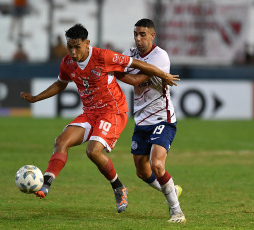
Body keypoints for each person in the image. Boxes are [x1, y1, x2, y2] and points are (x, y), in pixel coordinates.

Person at [20, 24, 179, 213]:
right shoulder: (67, 63)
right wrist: (36, 98)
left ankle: (119, 188)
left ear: (87, 43)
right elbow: (60, 84)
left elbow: (135, 64)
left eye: (77, 46)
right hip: (89, 113)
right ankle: (46, 183)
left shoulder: (103, 56)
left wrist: (163, 75)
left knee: (93, 151)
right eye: (69, 46)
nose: (73, 51)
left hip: (113, 111)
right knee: (61, 141)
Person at [118, 19, 186, 223]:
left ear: (152, 35)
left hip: (161, 118)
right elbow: (121, 67)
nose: (138, 38)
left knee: (157, 164)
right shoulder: (129, 53)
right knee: (141, 171)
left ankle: (177, 211)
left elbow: (135, 79)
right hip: (141, 120)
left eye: (143, 34)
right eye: (136, 34)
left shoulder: (160, 56)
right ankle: (171, 189)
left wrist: (116, 72)